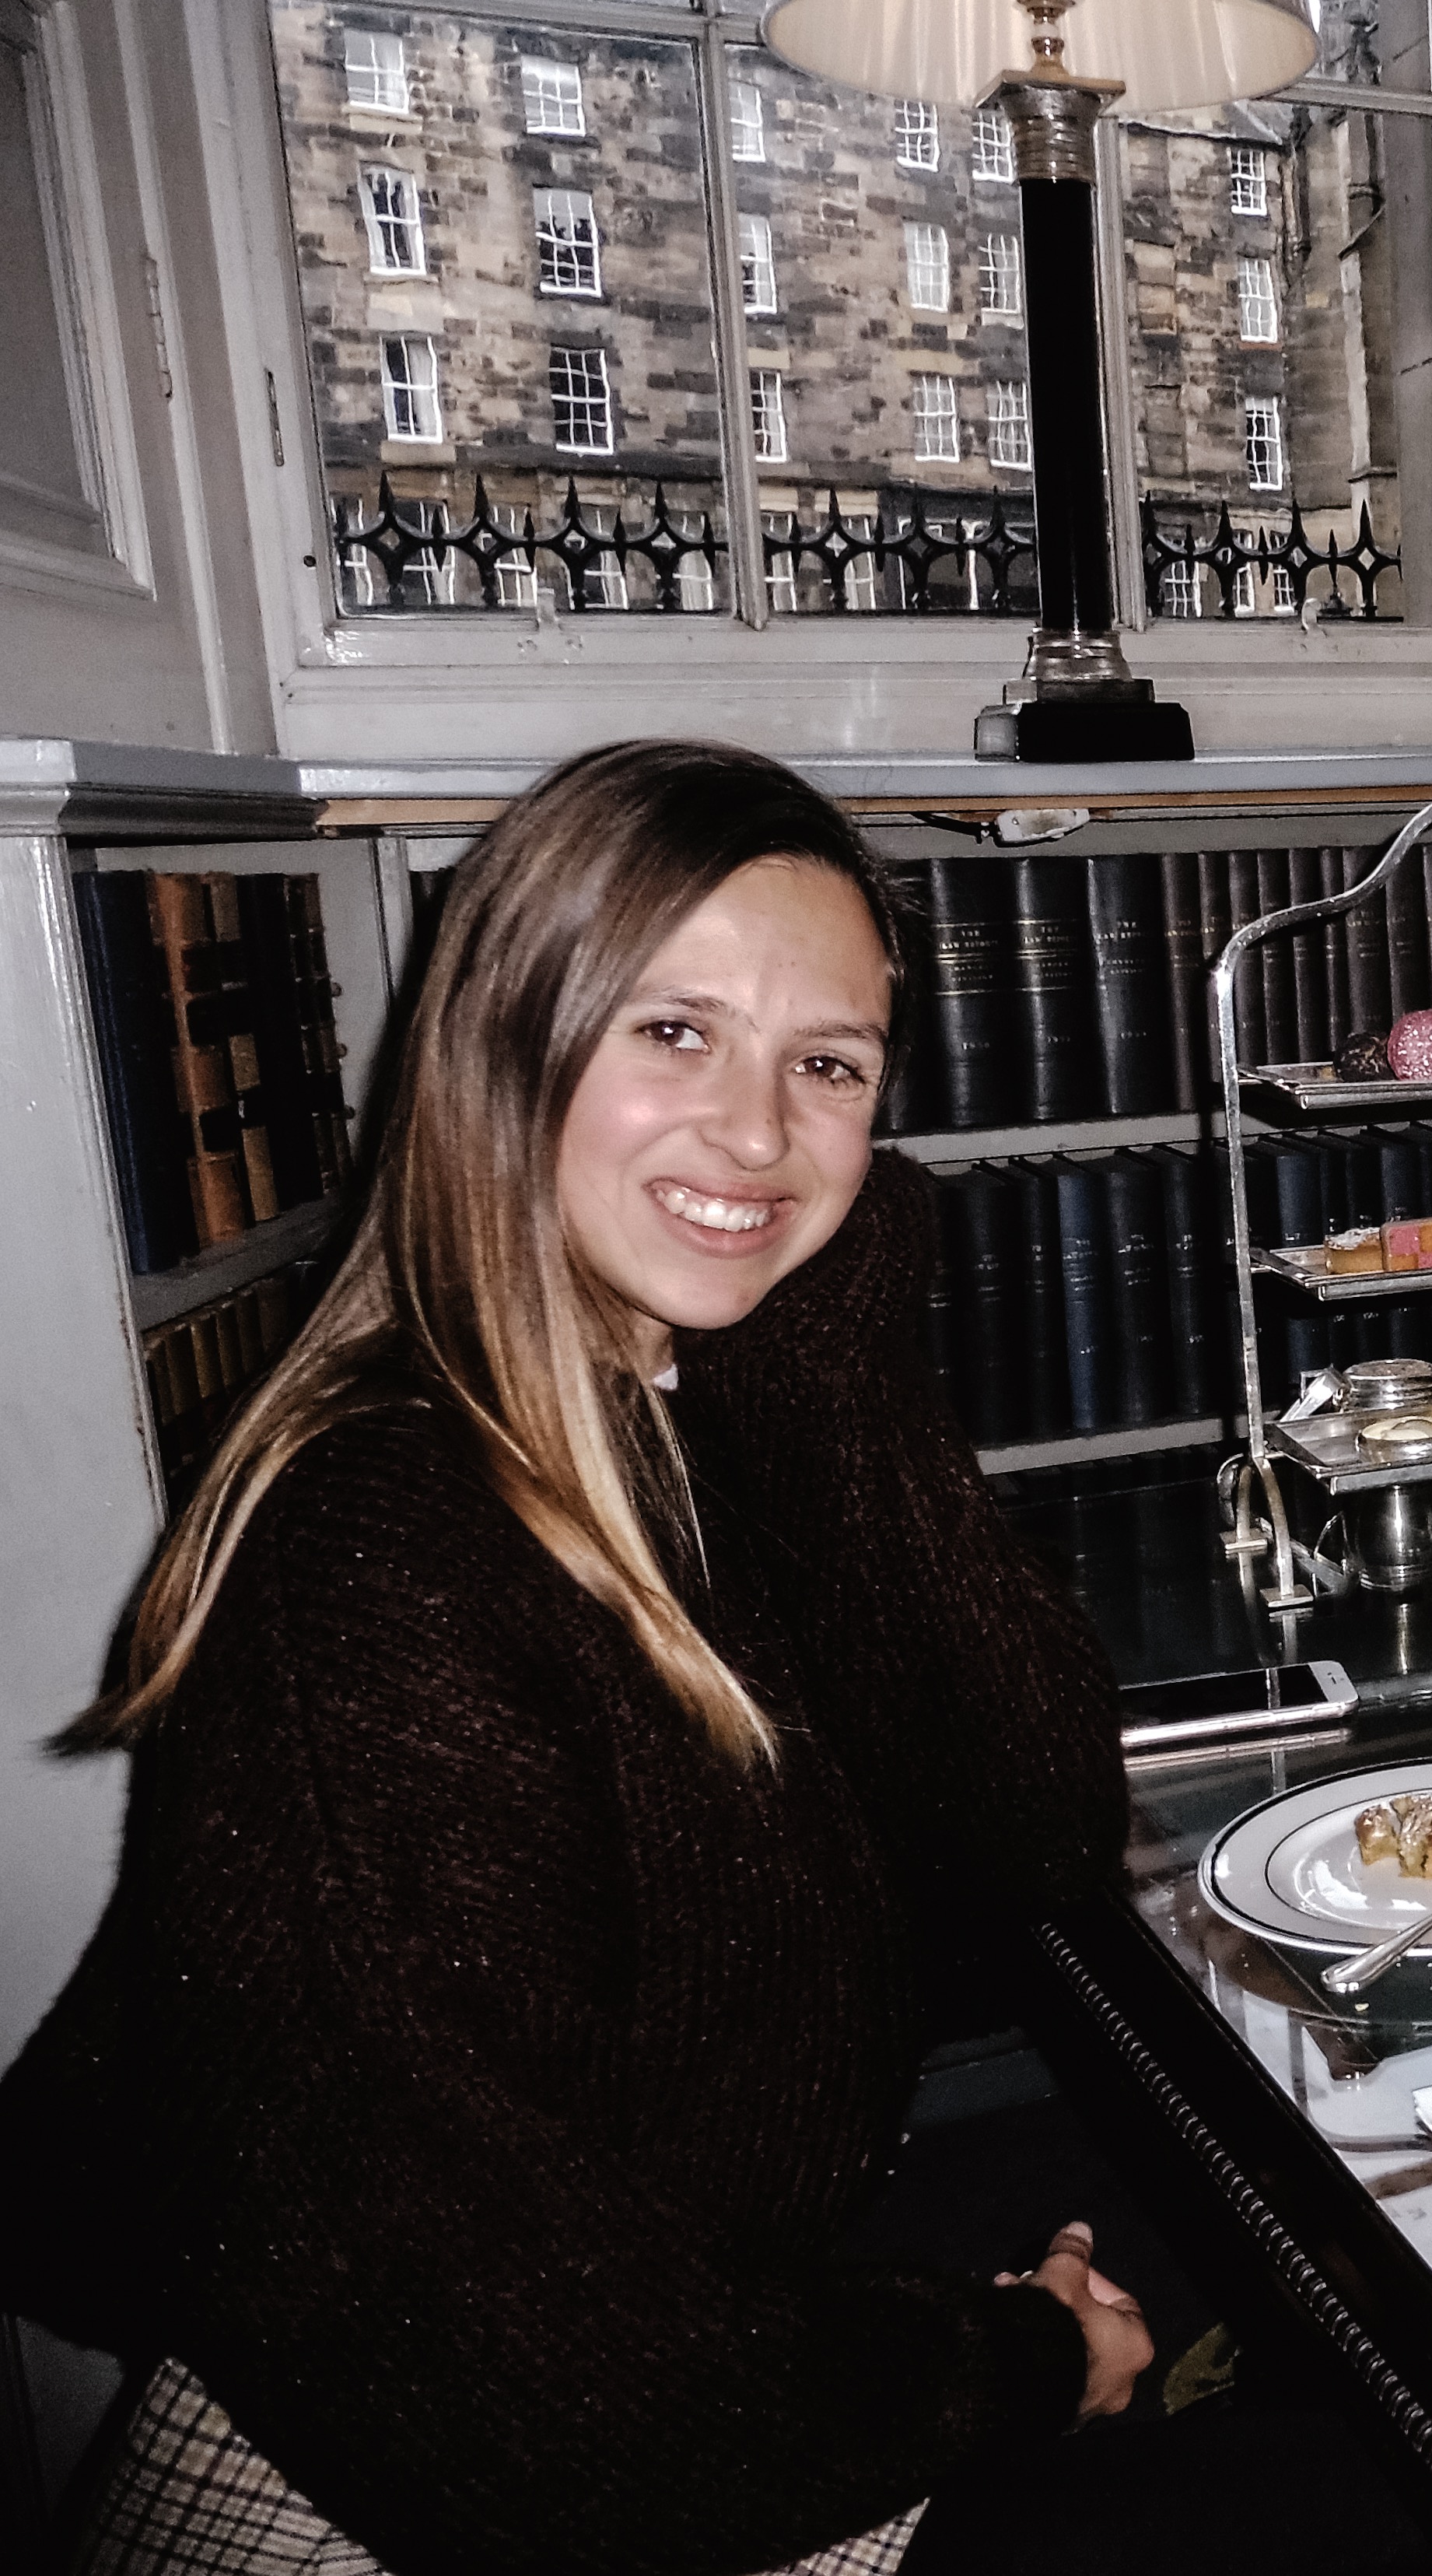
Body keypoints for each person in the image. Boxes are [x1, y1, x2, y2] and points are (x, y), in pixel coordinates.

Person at [0, 742, 1152, 2574]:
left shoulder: (662, 1409)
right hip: (439, 2496)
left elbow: (1030, 1825)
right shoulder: (385, 1550)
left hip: (691, 2351)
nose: (761, 1132)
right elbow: (514, 2382)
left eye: (828, 1066)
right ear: (507, 1044)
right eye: (673, 1033)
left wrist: (828, 1325)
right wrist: (1013, 2365)